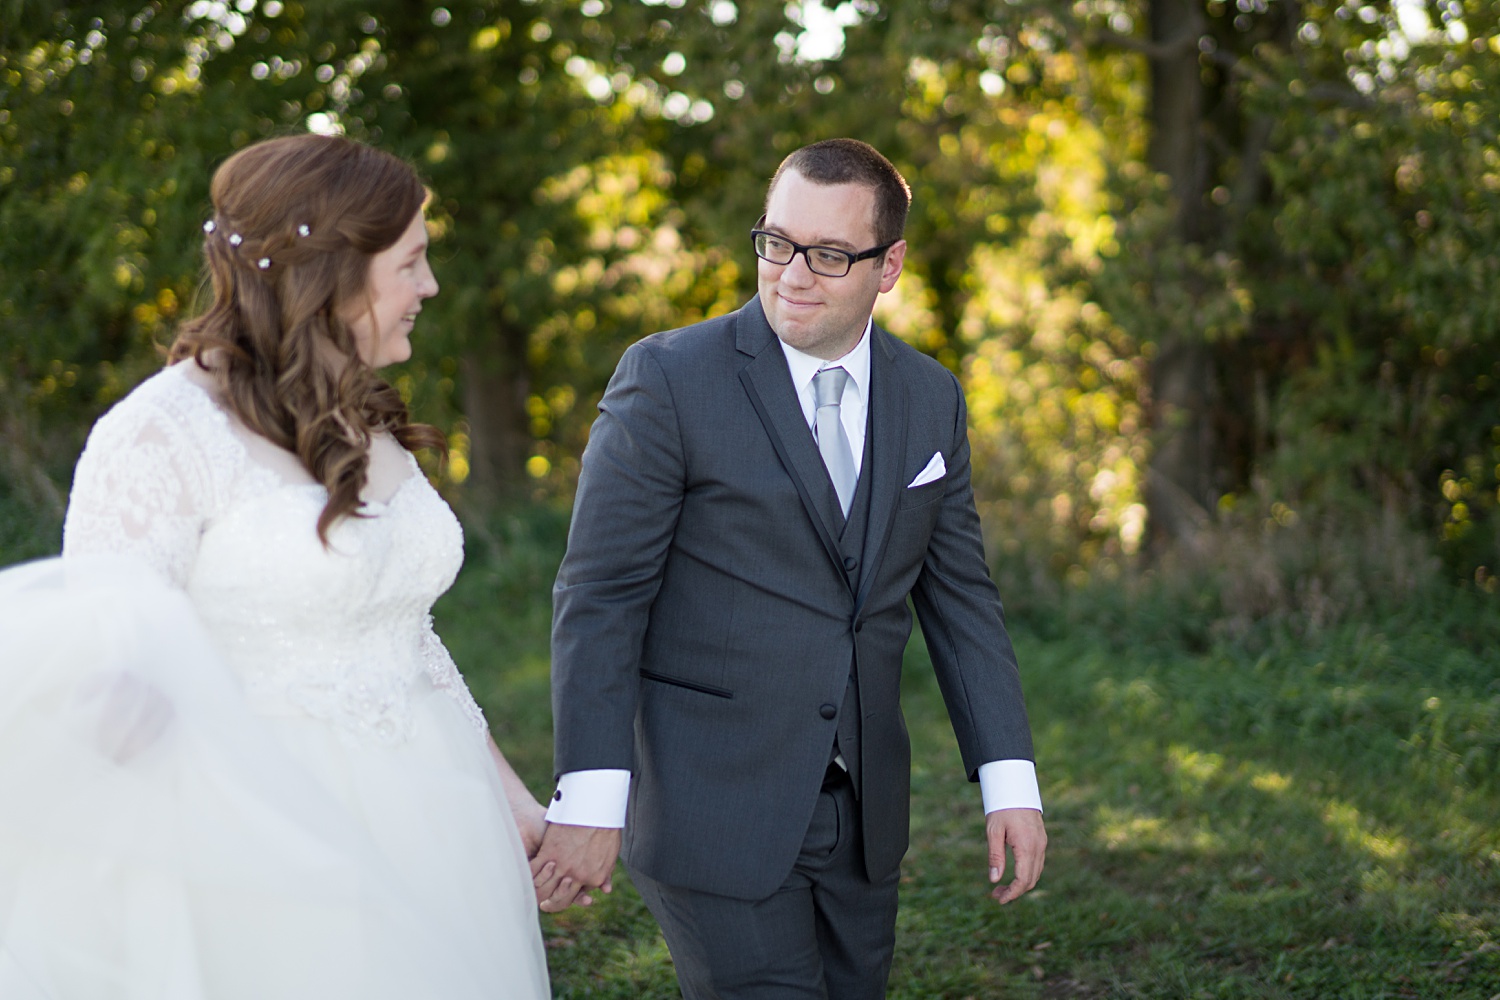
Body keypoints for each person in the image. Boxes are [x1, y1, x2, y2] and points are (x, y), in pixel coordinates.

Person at [0, 134, 551, 999]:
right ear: (333, 271)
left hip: (432, 827)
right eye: (411, 264)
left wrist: (509, 797)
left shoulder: (361, 418)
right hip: (257, 844)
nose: (429, 289)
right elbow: (106, 675)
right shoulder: (160, 434)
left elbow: (405, 637)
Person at [533, 137, 1047, 998]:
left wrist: (1009, 779)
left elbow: (962, 603)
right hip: (712, 805)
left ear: (890, 267)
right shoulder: (667, 380)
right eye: (776, 241)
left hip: (864, 821)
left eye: (830, 255)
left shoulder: (930, 398)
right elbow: (601, 596)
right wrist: (588, 799)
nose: (792, 275)